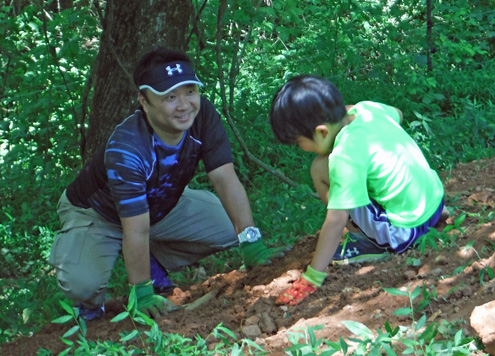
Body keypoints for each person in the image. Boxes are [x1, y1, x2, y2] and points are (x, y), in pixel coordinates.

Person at [49, 47, 281, 320]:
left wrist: (250, 241)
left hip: (159, 203)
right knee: (82, 284)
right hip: (98, 214)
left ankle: (149, 258)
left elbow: (225, 178)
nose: (184, 105)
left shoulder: (202, 115)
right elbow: (134, 228)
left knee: (230, 230)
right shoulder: (128, 148)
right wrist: (143, 291)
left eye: (190, 92)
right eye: (170, 96)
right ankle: (94, 301)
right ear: (144, 102)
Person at [269, 75, 448, 305]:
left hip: (404, 231)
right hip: (435, 203)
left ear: (322, 132)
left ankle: (366, 241)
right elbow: (398, 114)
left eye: (299, 142)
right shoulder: (368, 110)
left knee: (319, 168)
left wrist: (311, 279)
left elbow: (335, 220)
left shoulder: (345, 154)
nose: (301, 149)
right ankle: (425, 216)